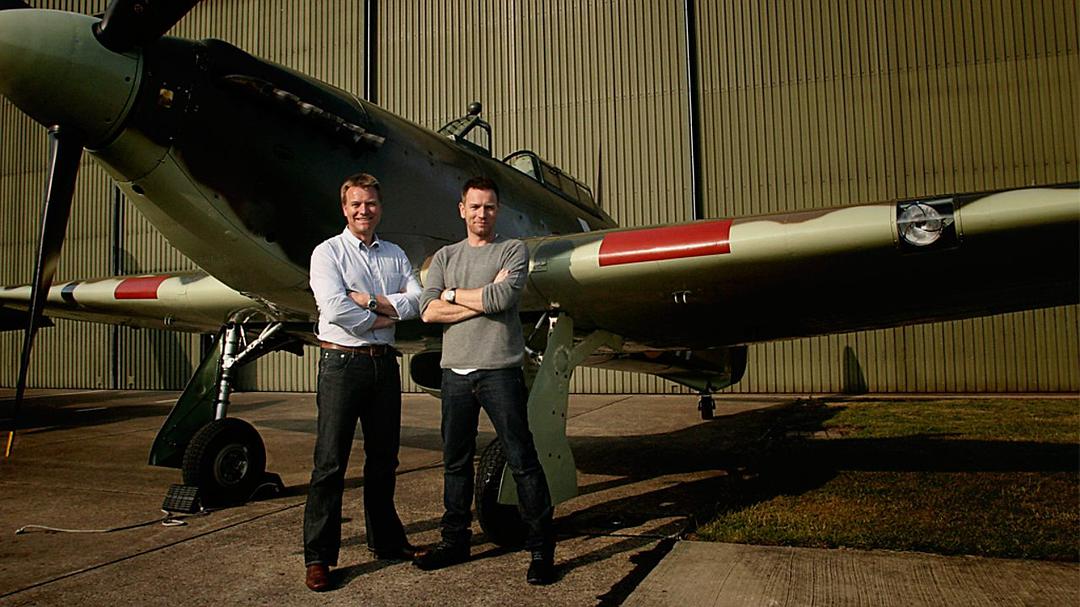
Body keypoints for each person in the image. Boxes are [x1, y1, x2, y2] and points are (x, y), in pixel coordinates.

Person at [415, 176, 556, 585]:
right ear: (462, 209)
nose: (482, 214)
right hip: (455, 372)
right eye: (475, 207)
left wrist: (452, 295)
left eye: (489, 207)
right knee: (455, 463)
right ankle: (454, 541)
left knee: (523, 460)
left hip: (500, 370)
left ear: (498, 211)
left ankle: (541, 550)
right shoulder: (444, 257)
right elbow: (427, 311)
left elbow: (503, 298)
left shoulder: (512, 250)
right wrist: (478, 298)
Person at [303, 172, 423, 592]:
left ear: (379, 207)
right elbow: (334, 308)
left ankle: (386, 540)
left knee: (384, 459)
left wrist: (369, 301)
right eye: (356, 203)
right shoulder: (327, 253)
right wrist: (385, 318)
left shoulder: (394, 254)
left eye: (370, 203)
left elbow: (417, 301)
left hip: (383, 366)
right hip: (341, 365)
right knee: (330, 463)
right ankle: (319, 557)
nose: (363, 210)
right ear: (345, 208)